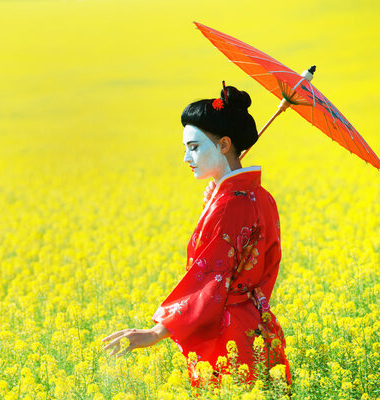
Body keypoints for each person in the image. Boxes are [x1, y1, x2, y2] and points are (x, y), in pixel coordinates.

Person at [102, 82, 291, 387]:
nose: (187, 158)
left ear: (224, 144)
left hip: (229, 340)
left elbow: (211, 279)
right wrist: (217, 197)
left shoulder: (230, 205)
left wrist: (156, 333)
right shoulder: (261, 197)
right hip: (259, 331)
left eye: (194, 147)